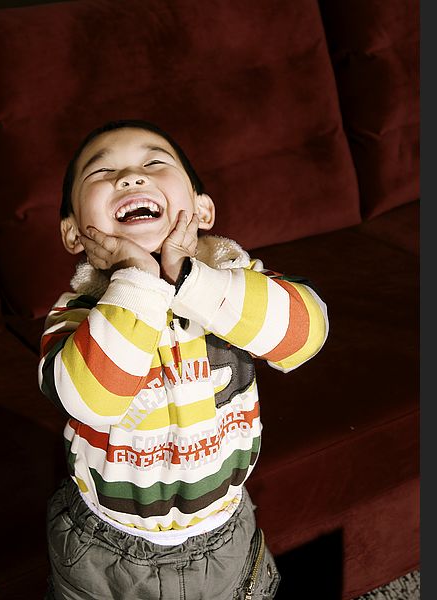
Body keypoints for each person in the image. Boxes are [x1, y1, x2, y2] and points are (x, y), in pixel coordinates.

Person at [39, 119, 328, 599]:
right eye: (101, 172)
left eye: (154, 163)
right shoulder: (77, 314)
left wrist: (191, 278)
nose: (130, 178)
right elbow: (91, 399)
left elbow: (306, 334)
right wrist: (137, 276)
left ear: (202, 209)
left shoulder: (233, 283)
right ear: (74, 234)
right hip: (102, 543)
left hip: (224, 534)